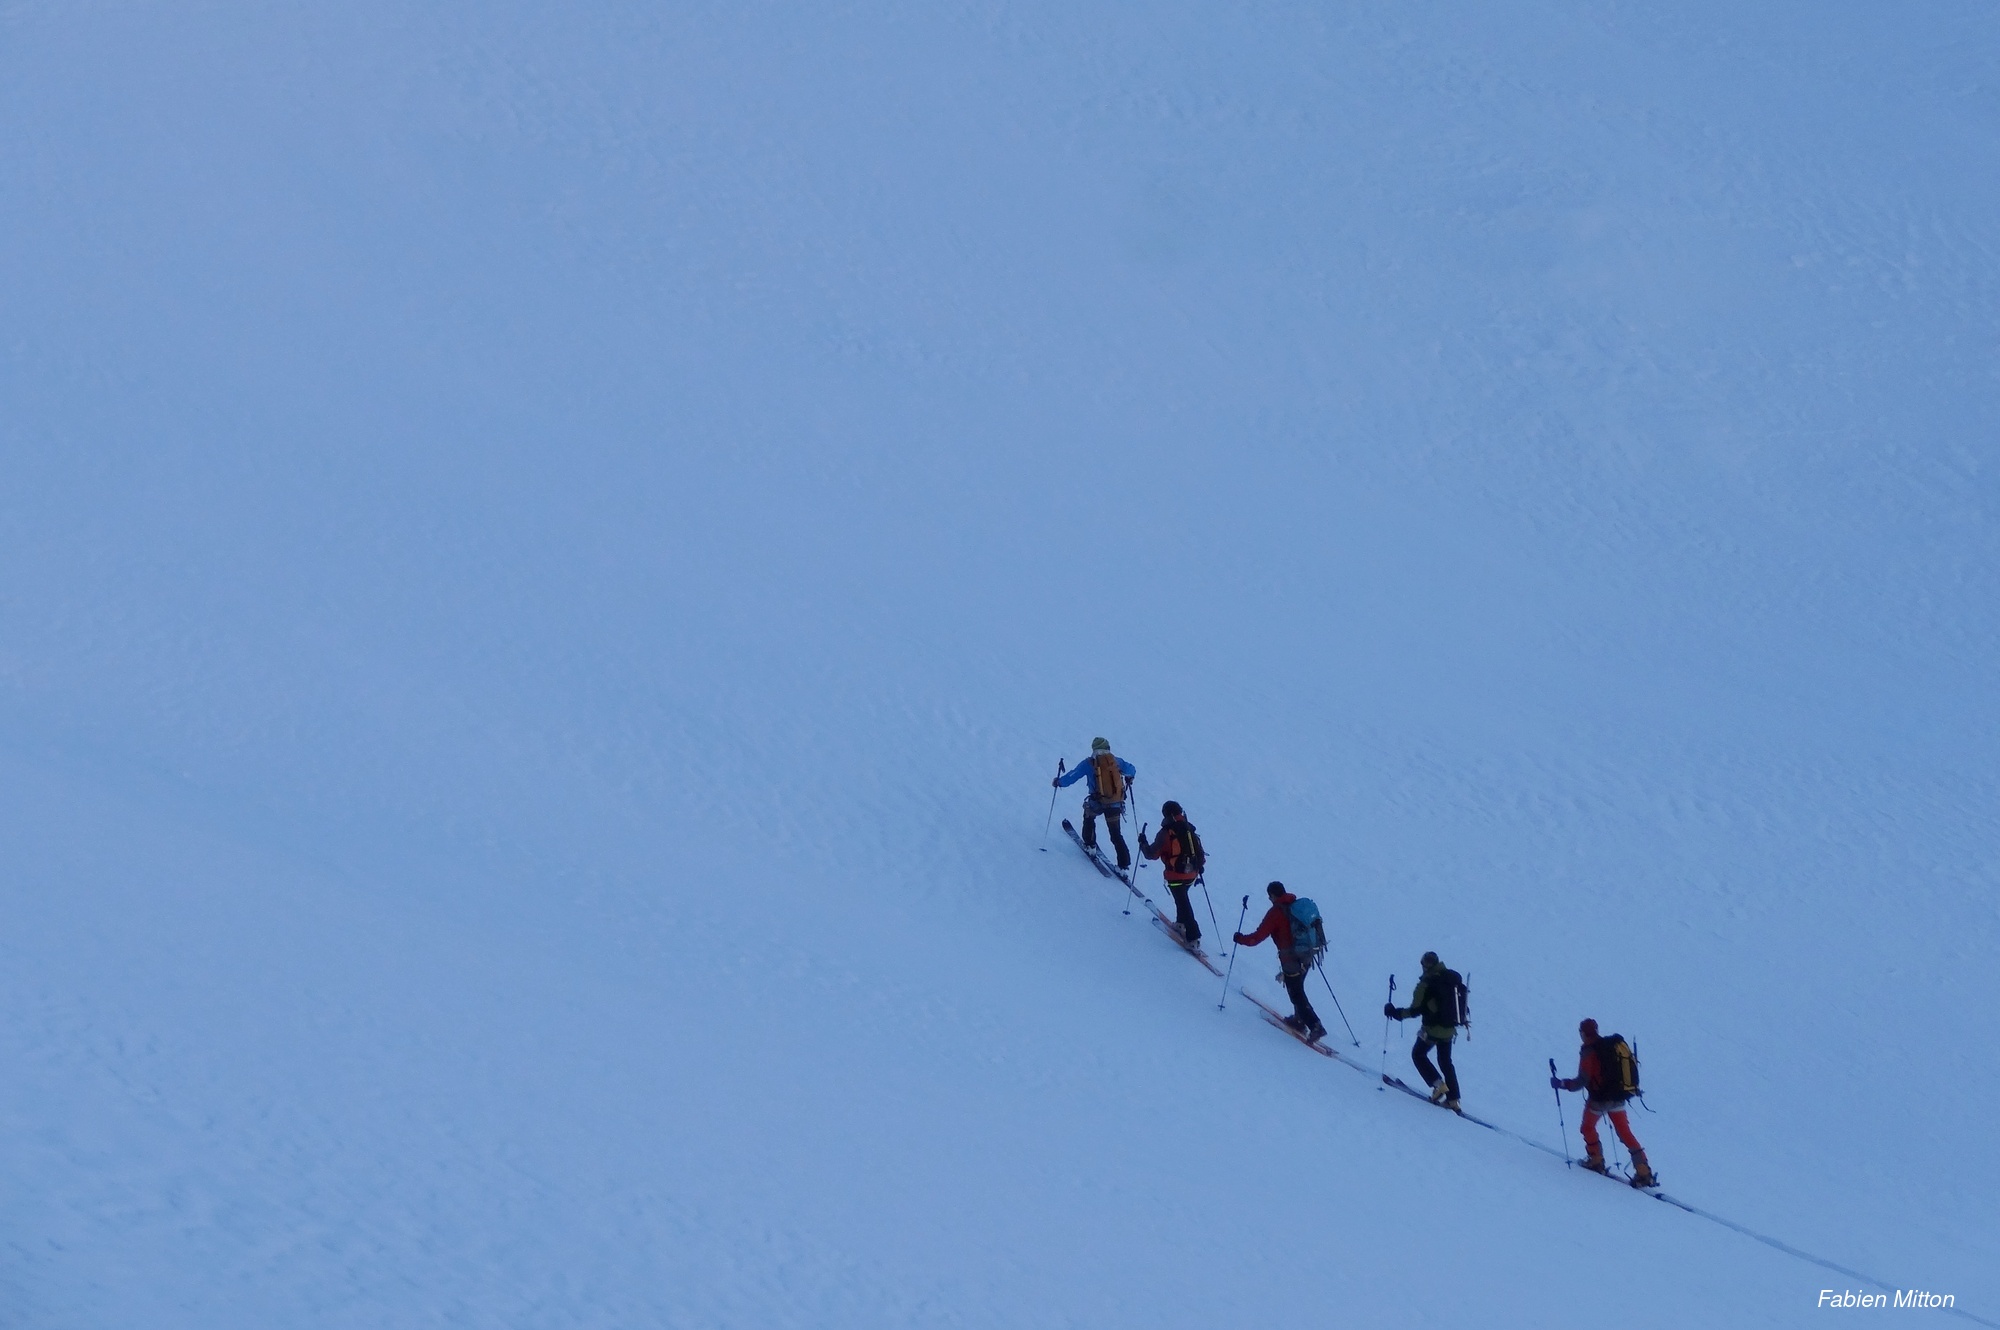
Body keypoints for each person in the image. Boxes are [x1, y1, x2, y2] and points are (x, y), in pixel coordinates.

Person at [1552, 1019, 1656, 1186]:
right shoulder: (1610, 1046)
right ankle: (1643, 1171)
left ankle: (1595, 1160)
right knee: (1625, 1133)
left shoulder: (1589, 1051)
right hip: (1619, 1097)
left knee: (1587, 1128)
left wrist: (1562, 1084)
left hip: (1599, 1100)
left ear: (1583, 1033)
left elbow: (1581, 1081)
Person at [1233, 881, 1326, 1041]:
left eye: (1270, 896)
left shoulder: (1276, 913)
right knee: (1298, 988)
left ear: (1273, 895)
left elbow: (1257, 937)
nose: (1269, 899)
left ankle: (1315, 1026)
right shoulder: (1296, 905)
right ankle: (1299, 1020)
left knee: (1296, 993)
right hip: (1307, 955)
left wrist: (1240, 939)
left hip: (1291, 959)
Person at [1384, 951, 1464, 1109]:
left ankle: (1438, 1085)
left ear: (1424, 965)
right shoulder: (1451, 978)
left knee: (1418, 1054)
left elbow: (1415, 1010)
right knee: (1445, 1062)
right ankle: (1453, 1099)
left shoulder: (1426, 984)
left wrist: (1394, 1013)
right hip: (1450, 1028)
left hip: (1432, 1029)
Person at [1054, 737, 1135, 870]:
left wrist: (1059, 782)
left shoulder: (1088, 763)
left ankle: (1090, 845)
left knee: (1089, 817)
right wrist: (1129, 777)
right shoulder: (1116, 761)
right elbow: (1131, 769)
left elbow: (1073, 776)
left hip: (1097, 802)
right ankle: (1124, 866)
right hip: (1115, 803)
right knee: (1116, 834)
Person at [1140, 801, 1205, 945]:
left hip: (1175, 875)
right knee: (1182, 899)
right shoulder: (1190, 829)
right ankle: (1180, 923)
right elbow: (1200, 852)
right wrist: (1199, 867)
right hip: (1192, 874)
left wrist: (1143, 843)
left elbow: (1152, 854)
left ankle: (1193, 937)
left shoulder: (1166, 833)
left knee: (1183, 903)